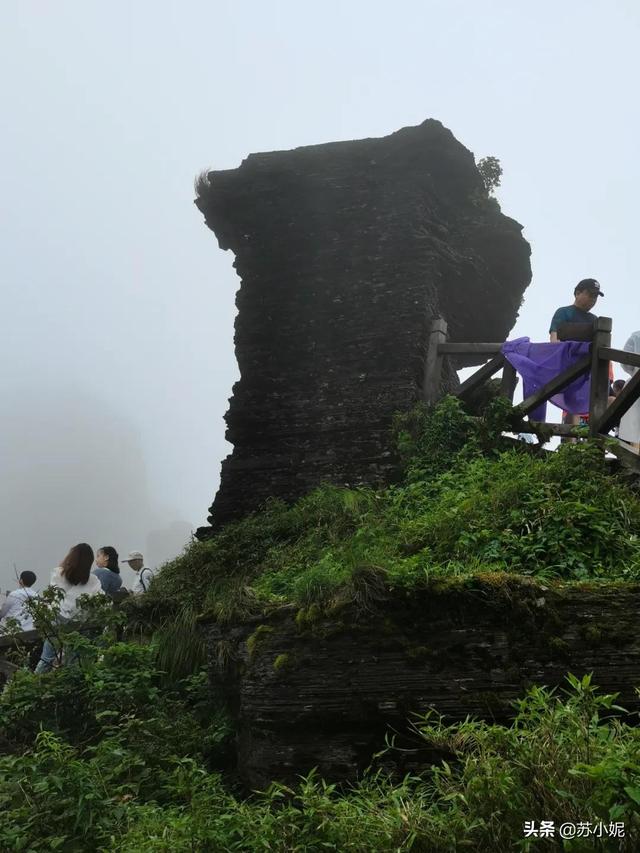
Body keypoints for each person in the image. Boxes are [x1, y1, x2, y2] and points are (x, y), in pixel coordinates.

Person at [35, 543, 104, 673]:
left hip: (57, 622)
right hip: (79, 625)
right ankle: (70, 683)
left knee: (46, 659)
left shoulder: (58, 573)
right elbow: (102, 600)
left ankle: (34, 683)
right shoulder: (93, 580)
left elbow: (54, 596)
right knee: (74, 660)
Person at [549, 278, 604, 342]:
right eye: (590, 294)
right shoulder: (564, 312)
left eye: (596, 296)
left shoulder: (595, 320)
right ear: (577, 293)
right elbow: (554, 340)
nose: (593, 299)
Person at [619, 331, 640, 452]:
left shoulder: (637, 335)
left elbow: (625, 362)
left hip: (636, 386)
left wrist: (634, 373)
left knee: (636, 430)